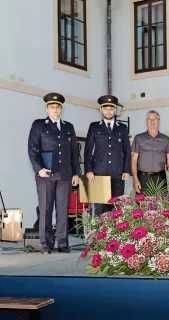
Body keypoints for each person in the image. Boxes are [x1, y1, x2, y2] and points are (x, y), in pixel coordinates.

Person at [27, 93, 80, 254]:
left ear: (61, 109)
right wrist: (39, 169)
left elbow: (74, 153)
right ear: (47, 108)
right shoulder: (38, 125)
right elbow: (32, 149)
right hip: (45, 175)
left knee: (63, 210)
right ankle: (46, 244)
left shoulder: (68, 127)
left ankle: (63, 243)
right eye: (52, 107)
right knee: (46, 209)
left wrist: (76, 173)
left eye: (58, 107)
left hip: (64, 174)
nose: (55, 110)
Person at [84, 95, 131, 215]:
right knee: (100, 208)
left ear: (115, 110)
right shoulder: (94, 127)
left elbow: (126, 150)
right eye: (105, 109)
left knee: (117, 208)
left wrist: (126, 170)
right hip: (99, 173)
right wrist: (88, 170)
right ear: (101, 110)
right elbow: (88, 150)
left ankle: (114, 234)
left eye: (111, 109)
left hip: (118, 174)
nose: (108, 111)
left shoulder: (122, 128)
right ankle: (98, 233)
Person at [131, 110, 169, 194]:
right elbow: (133, 160)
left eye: (155, 119)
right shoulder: (138, 138)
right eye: (149, 119)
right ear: (146, 122)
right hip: (143, 178)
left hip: (161, 178)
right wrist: (135, 179)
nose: (152, 122)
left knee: (161, 205)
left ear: (159, 121)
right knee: (142, 205)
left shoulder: (166, 139)